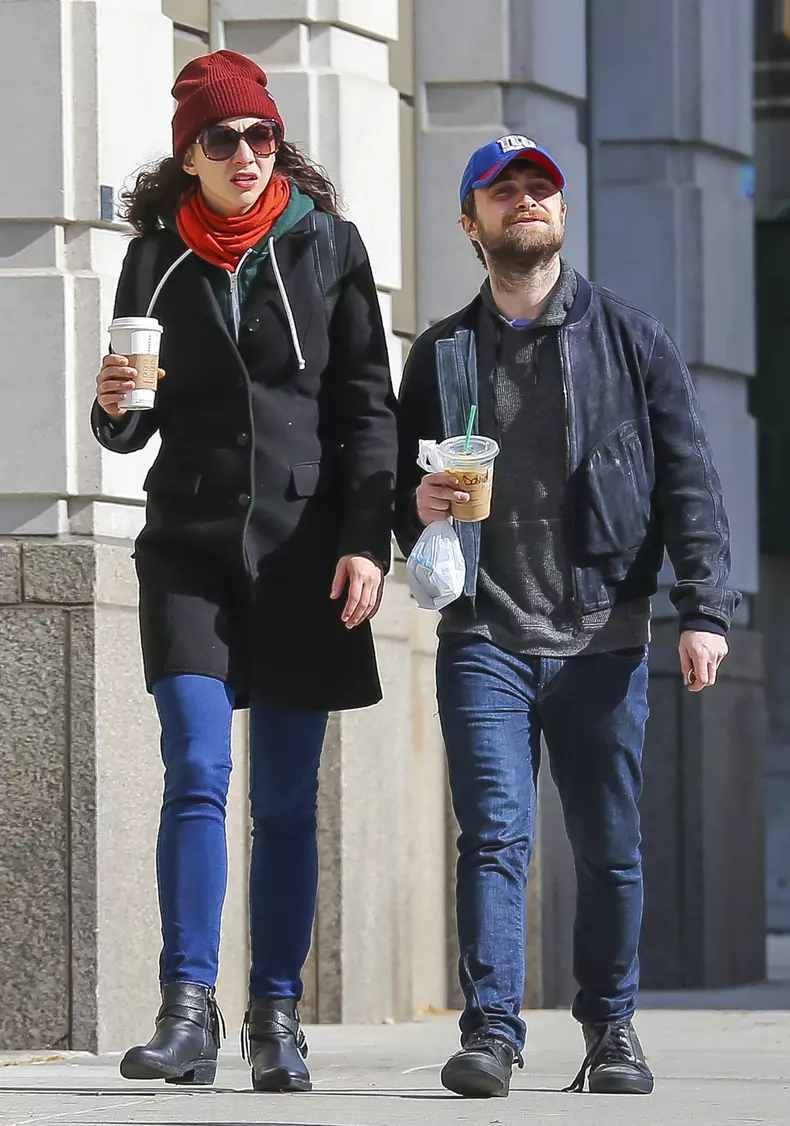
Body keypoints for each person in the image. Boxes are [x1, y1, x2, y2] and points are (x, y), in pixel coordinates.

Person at [395, 135, 739, 1099]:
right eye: (503, 191)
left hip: (604, 631)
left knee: (608, 843)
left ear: (563, 212)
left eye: (540, 187)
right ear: (472, 224)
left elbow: (690, 485)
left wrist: (704, 610)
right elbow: (392, 487)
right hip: (482, 631)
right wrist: (410, 509)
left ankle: (612, 1029)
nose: (526, 201)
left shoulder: (633, 340)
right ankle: (493, 1034)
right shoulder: (444, 353)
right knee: (496, 833)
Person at [92, 50, 397, 1092]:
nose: (246, 155)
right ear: (190, 155)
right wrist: (114, 406)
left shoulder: (330, 249)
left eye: (261, 136)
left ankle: (275, 1013)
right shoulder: (153, 261)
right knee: (196, 769)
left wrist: (367, 539)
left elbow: (367, 411)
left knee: (285, 799)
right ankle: (186, 1009)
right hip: (188, 550)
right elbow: (132, 426)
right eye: (222, 139)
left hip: (307, 555)